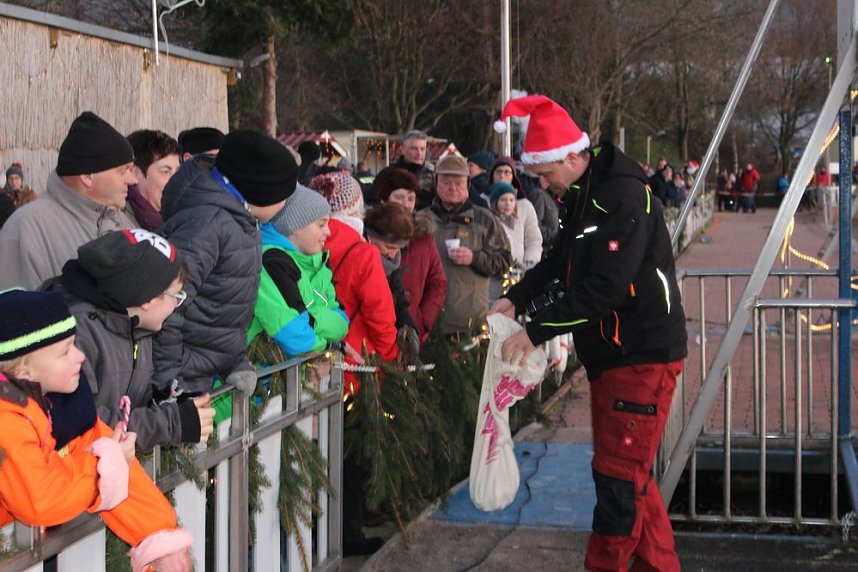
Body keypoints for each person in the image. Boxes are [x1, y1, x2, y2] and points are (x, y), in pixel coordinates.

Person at [489, 95, 687, 572]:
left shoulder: (620, 197)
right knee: (631, 476)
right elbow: (560, 261)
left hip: (638, 354)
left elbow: (605, 287)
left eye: (544, 173)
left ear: (572, 157)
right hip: (616, 355)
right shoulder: (585, 194)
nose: (541, 184)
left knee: (618, 480)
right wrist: (517, 298)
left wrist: (534, 331)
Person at [0, 289, 193, 571]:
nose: (80, 356)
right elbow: (40, 498)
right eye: (64, 352)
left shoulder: (65, 405)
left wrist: (159, 538)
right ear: (23, 371)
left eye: (74, 344)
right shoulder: (6, 419)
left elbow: (99, 448)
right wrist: (107, 464)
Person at [41, 230, 215, 453]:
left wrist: (162, 402)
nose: (176, 306)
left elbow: (128, 397)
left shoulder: (134, 324)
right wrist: (169, 424)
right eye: (176, 296)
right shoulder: (79, 334)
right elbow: (80, 425)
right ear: (148, 298)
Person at [154, 130, 298, 397]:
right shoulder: (208, 226)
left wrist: (234, 360)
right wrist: (169, 386)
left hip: (203, 369)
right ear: (260, 192)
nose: (287, 203)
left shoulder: (240, 218)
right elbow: (168, 305)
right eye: (283, 196)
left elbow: (227, 305)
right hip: (184, 375)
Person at [0, 112, 138, 290]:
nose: (132, 180)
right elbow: (14, 305)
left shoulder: (123, 221)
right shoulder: (26, 230)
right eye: (122, 171)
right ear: (87, 176)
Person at [311, 172, 399, 387]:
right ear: (356, 208)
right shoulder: (363, 252)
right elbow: (380, 314)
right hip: (353, 363)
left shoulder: (298, 240)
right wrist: (390, 358)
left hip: (305, 358)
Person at [248, 185, 349, 356]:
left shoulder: (318, 263)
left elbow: (343, 322)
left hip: (297, 371)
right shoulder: (272, 261)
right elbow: (295, 337)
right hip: (265, 371)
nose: (329, 232)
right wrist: (328, 344)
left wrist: (310, 319)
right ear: (294, 225)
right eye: (321, 224)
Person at [423, 154, 511, 334]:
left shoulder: (484, 220)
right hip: (427, 321)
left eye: (459, 183)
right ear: (436, 184)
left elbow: (504, 261)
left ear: (468, 185)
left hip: (471, 323)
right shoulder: (421, 220)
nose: (453, 188)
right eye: (446, 183)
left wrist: (474, 258)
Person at [376, 168, 447, 344]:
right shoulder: (372, 235)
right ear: (384, 199)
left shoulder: (424, 237)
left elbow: (438, 282)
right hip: (377, 330)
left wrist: (422, 321)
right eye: (399, 197)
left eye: (411, 198)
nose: (406, 204)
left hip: (412, 330)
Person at [363, 202, 418, 336]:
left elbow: (399, 299)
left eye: (398, 249)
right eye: (389, 247)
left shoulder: (392, 263)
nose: (393, 255)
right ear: (370, 237)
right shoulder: (359, 259)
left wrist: (409, 327)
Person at [487, 181, 543, 303]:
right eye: (503, 200)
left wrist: (527, 265)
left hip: (520, 274)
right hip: (497, 280)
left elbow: (534, 241)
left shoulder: (518, 221)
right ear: (495, 202)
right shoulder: (490, 223)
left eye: (511, 200)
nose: (508, 204)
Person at [126, 129, 181, 231]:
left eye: (178, 172)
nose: (176, 181)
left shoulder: (185, 219)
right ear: (134, 173)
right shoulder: (118, 224)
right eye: (165, 172)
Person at [372, 130, 435, 208]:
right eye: (414, 149)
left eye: (422, 149)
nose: (419, 153)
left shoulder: (433, 176)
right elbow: (373, 198)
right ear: (402, 150)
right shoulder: (388, 174)